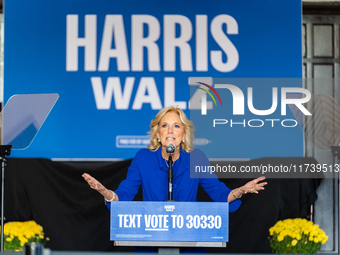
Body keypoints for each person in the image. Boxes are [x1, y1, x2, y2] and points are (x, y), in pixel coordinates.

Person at [83, 106, 267, 210]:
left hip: (188, 239)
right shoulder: (143, 158)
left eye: (176, 126)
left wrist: (240, 190)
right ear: (157, 134)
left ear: (183, 134)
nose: (170, 131)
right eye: (165, 126)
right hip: (149, 236)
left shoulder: (197, 158)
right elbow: (123, 196)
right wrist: (106, 192)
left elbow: (219, 194)